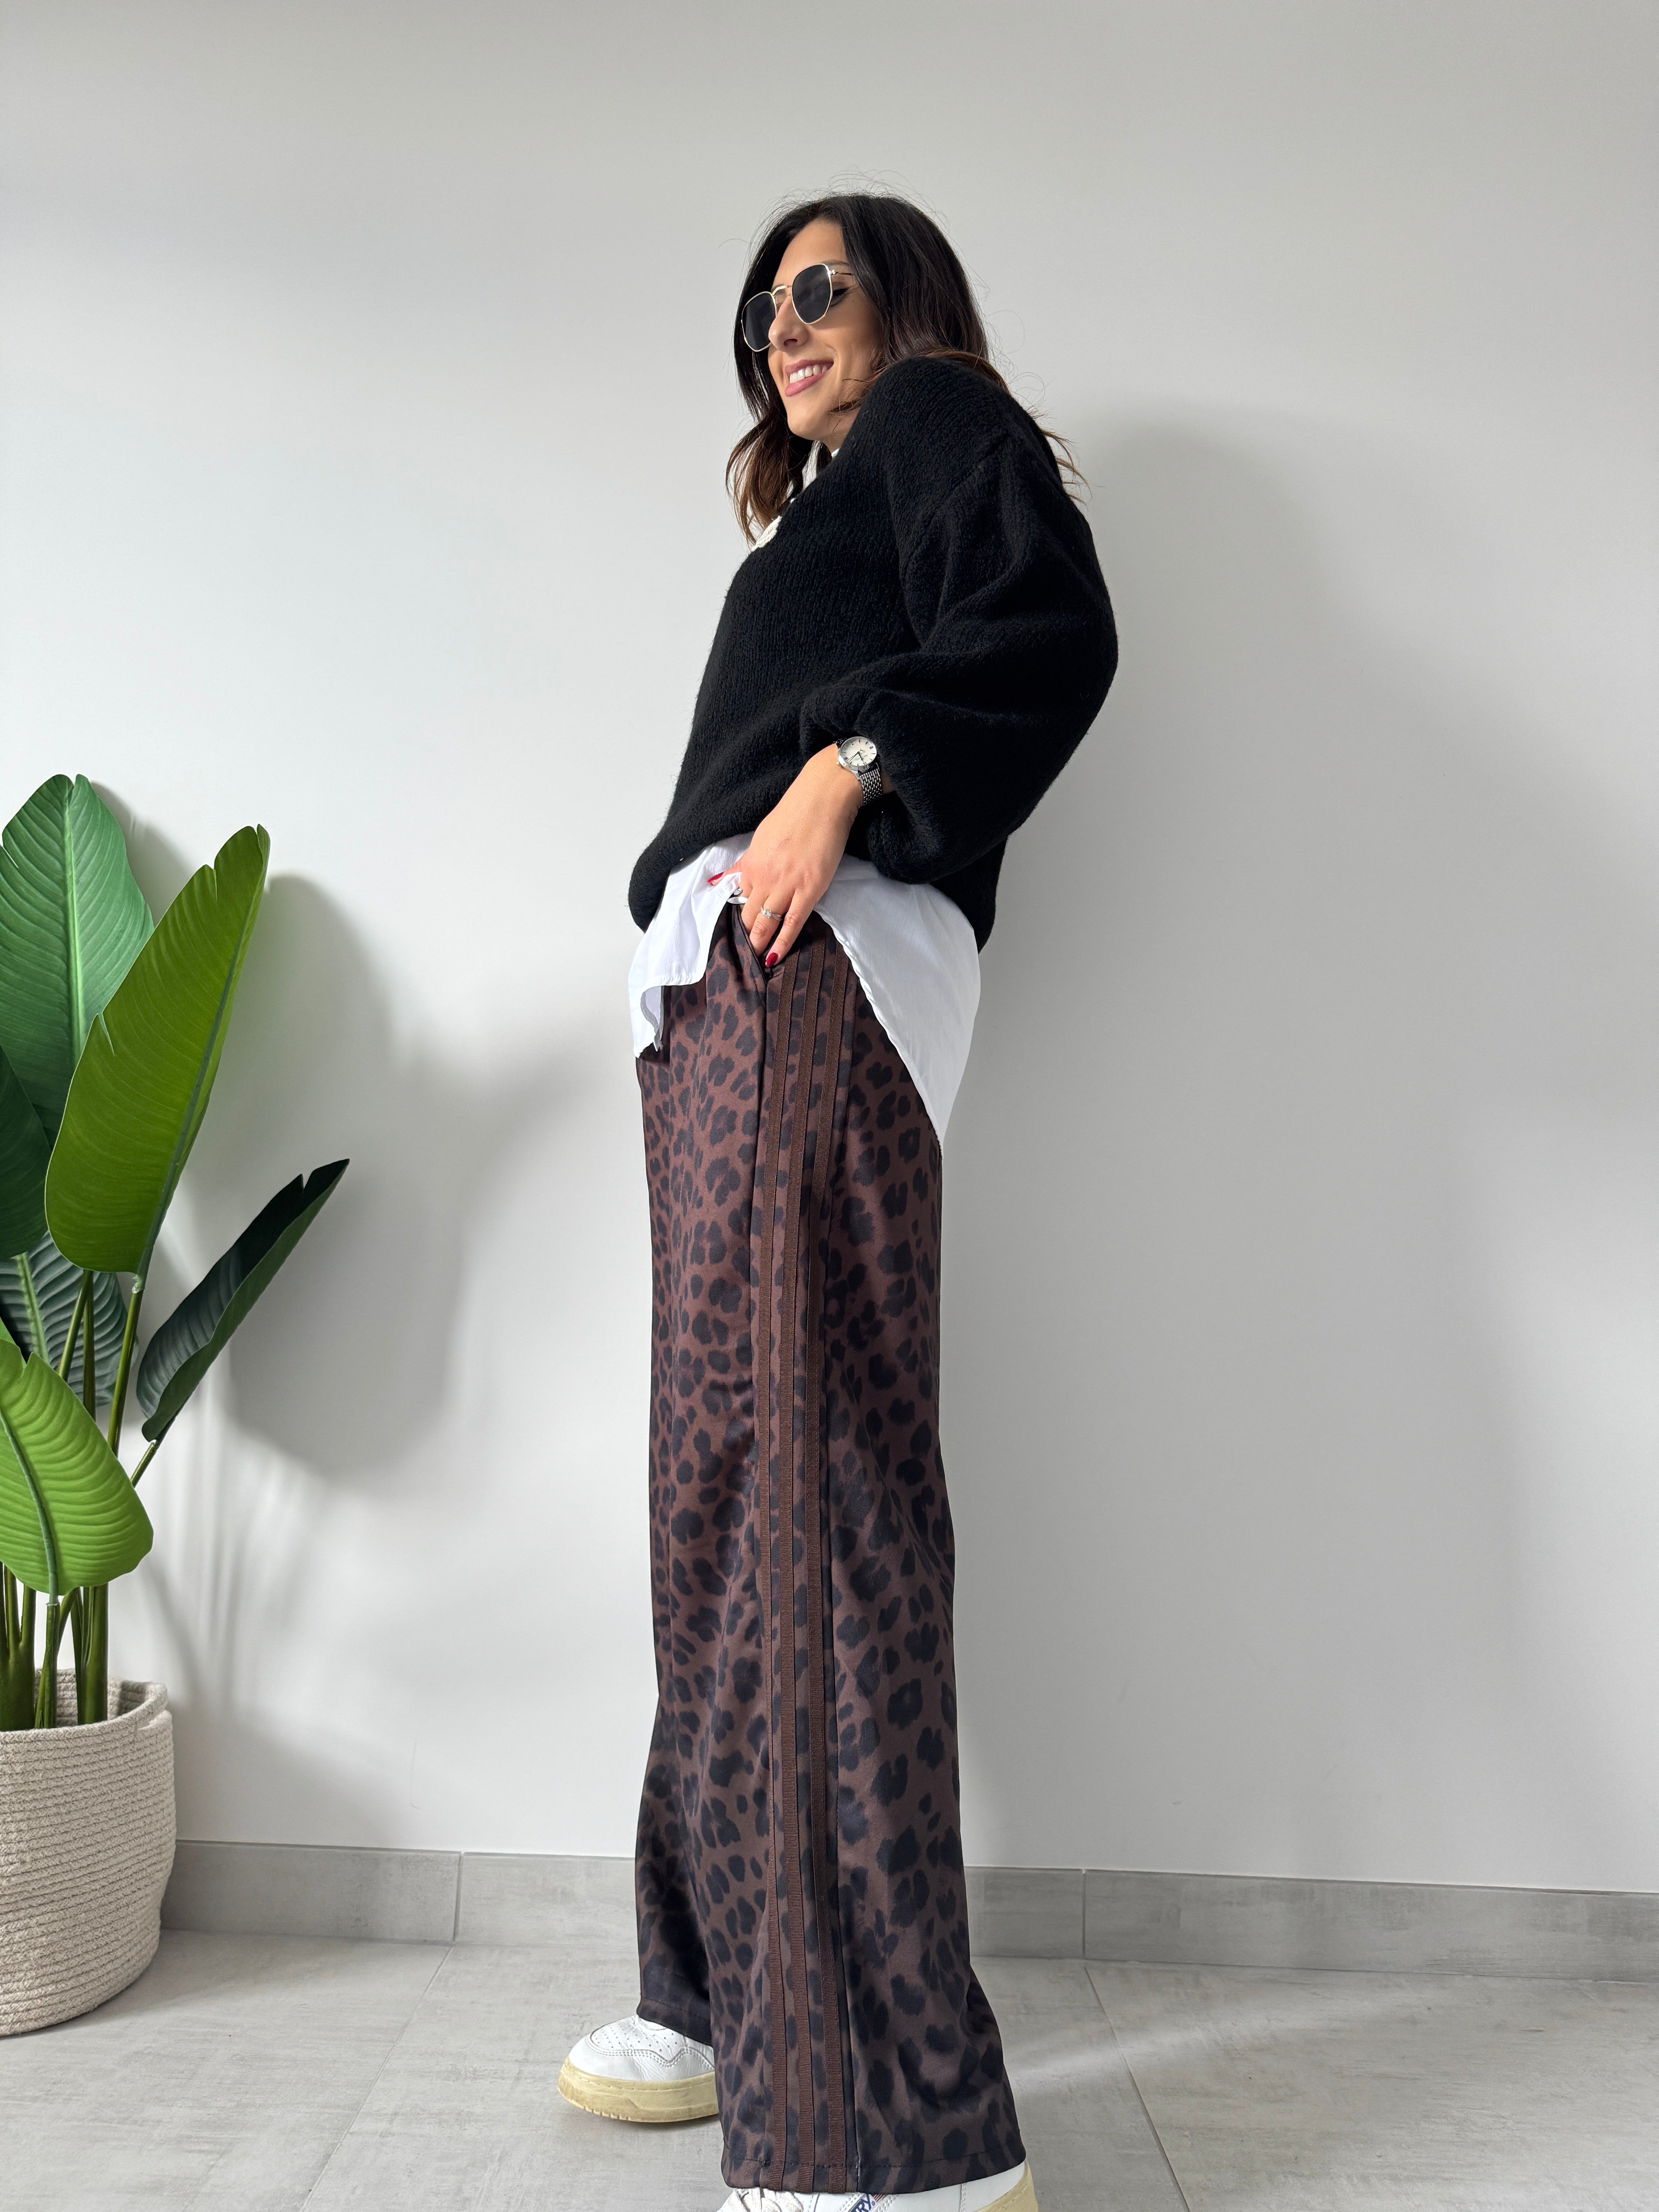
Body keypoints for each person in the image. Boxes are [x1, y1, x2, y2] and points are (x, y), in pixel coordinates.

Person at [559, 191, 1116, 2212]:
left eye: (821, 290)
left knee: (809, 1500)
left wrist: (847, 766)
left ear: (904, 302)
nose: (786, 329)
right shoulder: (825, 513)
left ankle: (887, 2120)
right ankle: (717, 1990)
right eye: (762, 311)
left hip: (818, 978)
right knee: (721, 1494)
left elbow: (1054, 625)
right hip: (724, 1000)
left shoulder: (941, 417)